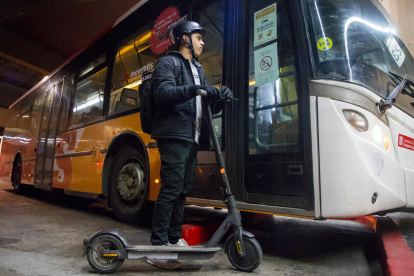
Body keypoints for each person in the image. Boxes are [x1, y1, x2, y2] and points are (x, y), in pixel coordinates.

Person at [147, 21, 233, 270]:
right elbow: (162, 93)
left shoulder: (198, 68)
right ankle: (159, 245)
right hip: (173, 134)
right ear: (185, 38)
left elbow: (203, 105)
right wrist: (196, 88)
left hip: (192, 136)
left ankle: (174, 239)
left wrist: (219, 98)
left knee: (182, 190)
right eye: (199, 37)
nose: (203, 42)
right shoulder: (168, 63)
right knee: (171, 187)